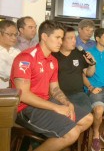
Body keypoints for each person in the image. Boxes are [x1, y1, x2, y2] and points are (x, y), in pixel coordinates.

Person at [10, 20, 93, 151]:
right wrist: (56, 107)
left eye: (62, 38)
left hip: (46, 101)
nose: (61, 41)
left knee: (88, 119)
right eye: (58, 37)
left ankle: (56, 142)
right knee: (72, 132)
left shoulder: (53, 60)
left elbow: (55, 88)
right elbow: (23, 95)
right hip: (25, 108)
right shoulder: (26, 58)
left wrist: (66, 103)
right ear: (44, 37)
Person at [52, 26, 96, 112]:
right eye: (70, 38)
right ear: (61, 40)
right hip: (60, 95)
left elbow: (88, 74)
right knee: (65, 116)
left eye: (74, 38)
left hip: (79, 94)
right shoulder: (53, 55)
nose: (74, 41)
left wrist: (92, 64)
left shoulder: (79, 53)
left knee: (86, 114)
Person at [0, 20, 20, 88]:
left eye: (16, 34)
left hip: (15, 92)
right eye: (10, 34)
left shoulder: (18, 52)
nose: (14, 38)